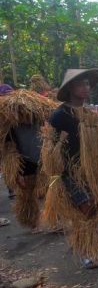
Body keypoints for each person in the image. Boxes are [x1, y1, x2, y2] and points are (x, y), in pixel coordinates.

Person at [43, 68, 98, 269]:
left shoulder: (89, 114)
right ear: (70, 88)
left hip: (91, 171)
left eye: (87, 84)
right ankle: (85, 251)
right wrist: (62, 171)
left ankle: (90, 246)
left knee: (92, 210)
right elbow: (51, 149)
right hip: (70, 172)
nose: (85, 88)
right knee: (84, 210)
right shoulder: (59, 116)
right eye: (80, 84)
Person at [0, 83, 56, 231]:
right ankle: (32, 222)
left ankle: (53, 220)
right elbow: (8, 148)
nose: (24, 114)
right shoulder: (10, 127)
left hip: (42, 160)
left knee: (50, 191)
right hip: (25, 163)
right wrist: (16, 171)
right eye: (20, 111)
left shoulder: (39, 120)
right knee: (26, 194)